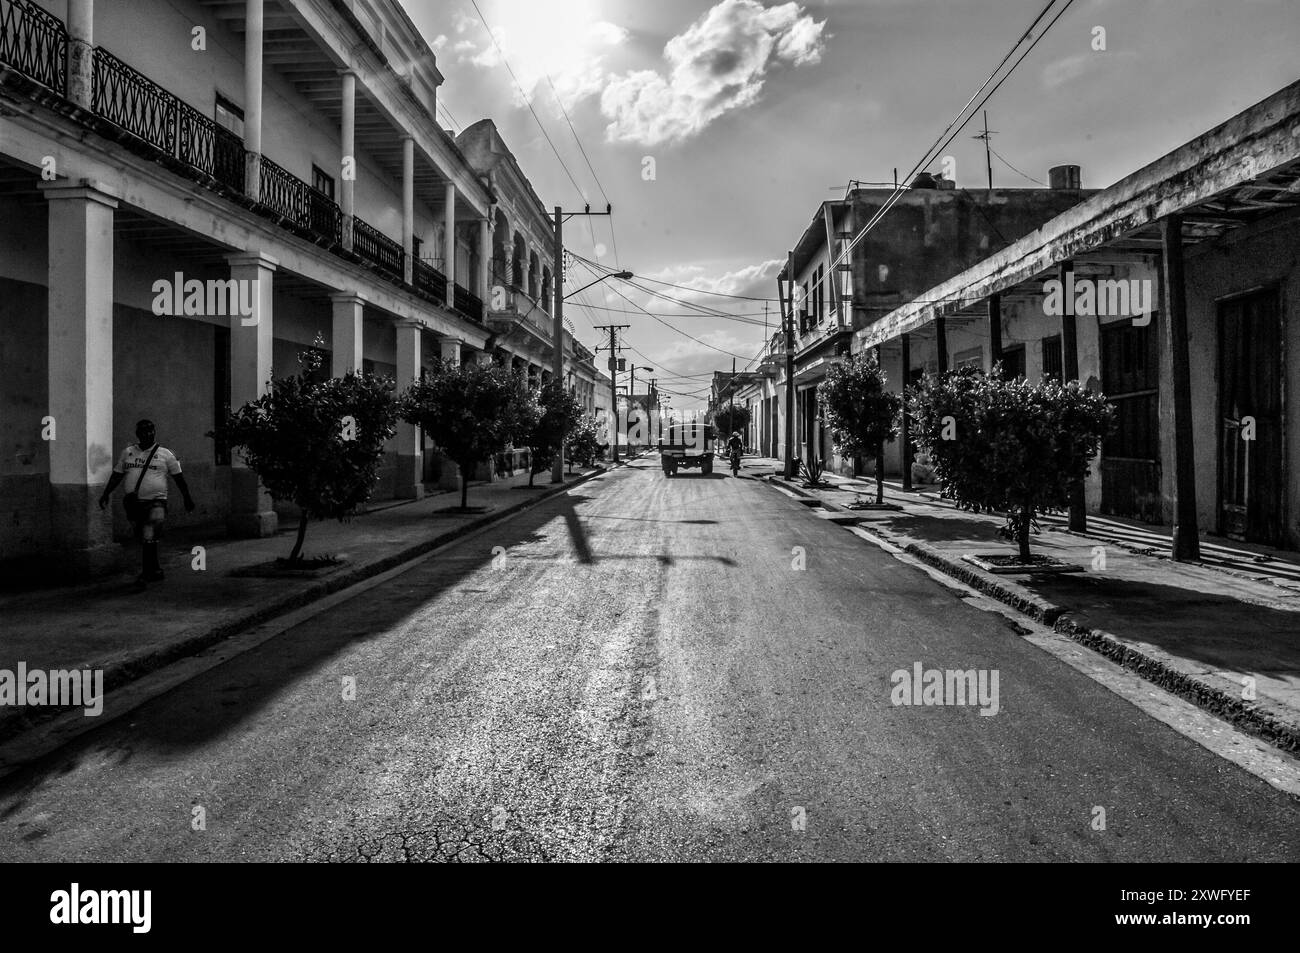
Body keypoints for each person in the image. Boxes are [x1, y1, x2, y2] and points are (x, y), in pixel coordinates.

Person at [99, 419, 196, 585]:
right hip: (135, 503)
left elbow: (179, 479)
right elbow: (117, 474)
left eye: (151, 430)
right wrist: (106, 493)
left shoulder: (166, 455)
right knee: (145, 537)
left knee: (149, 531)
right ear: (138, 434)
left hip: (157, 501)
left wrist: (187, 498)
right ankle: (155, 569)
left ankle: (146, 573)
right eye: (144, 431)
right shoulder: (128, 452)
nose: (148, 433)